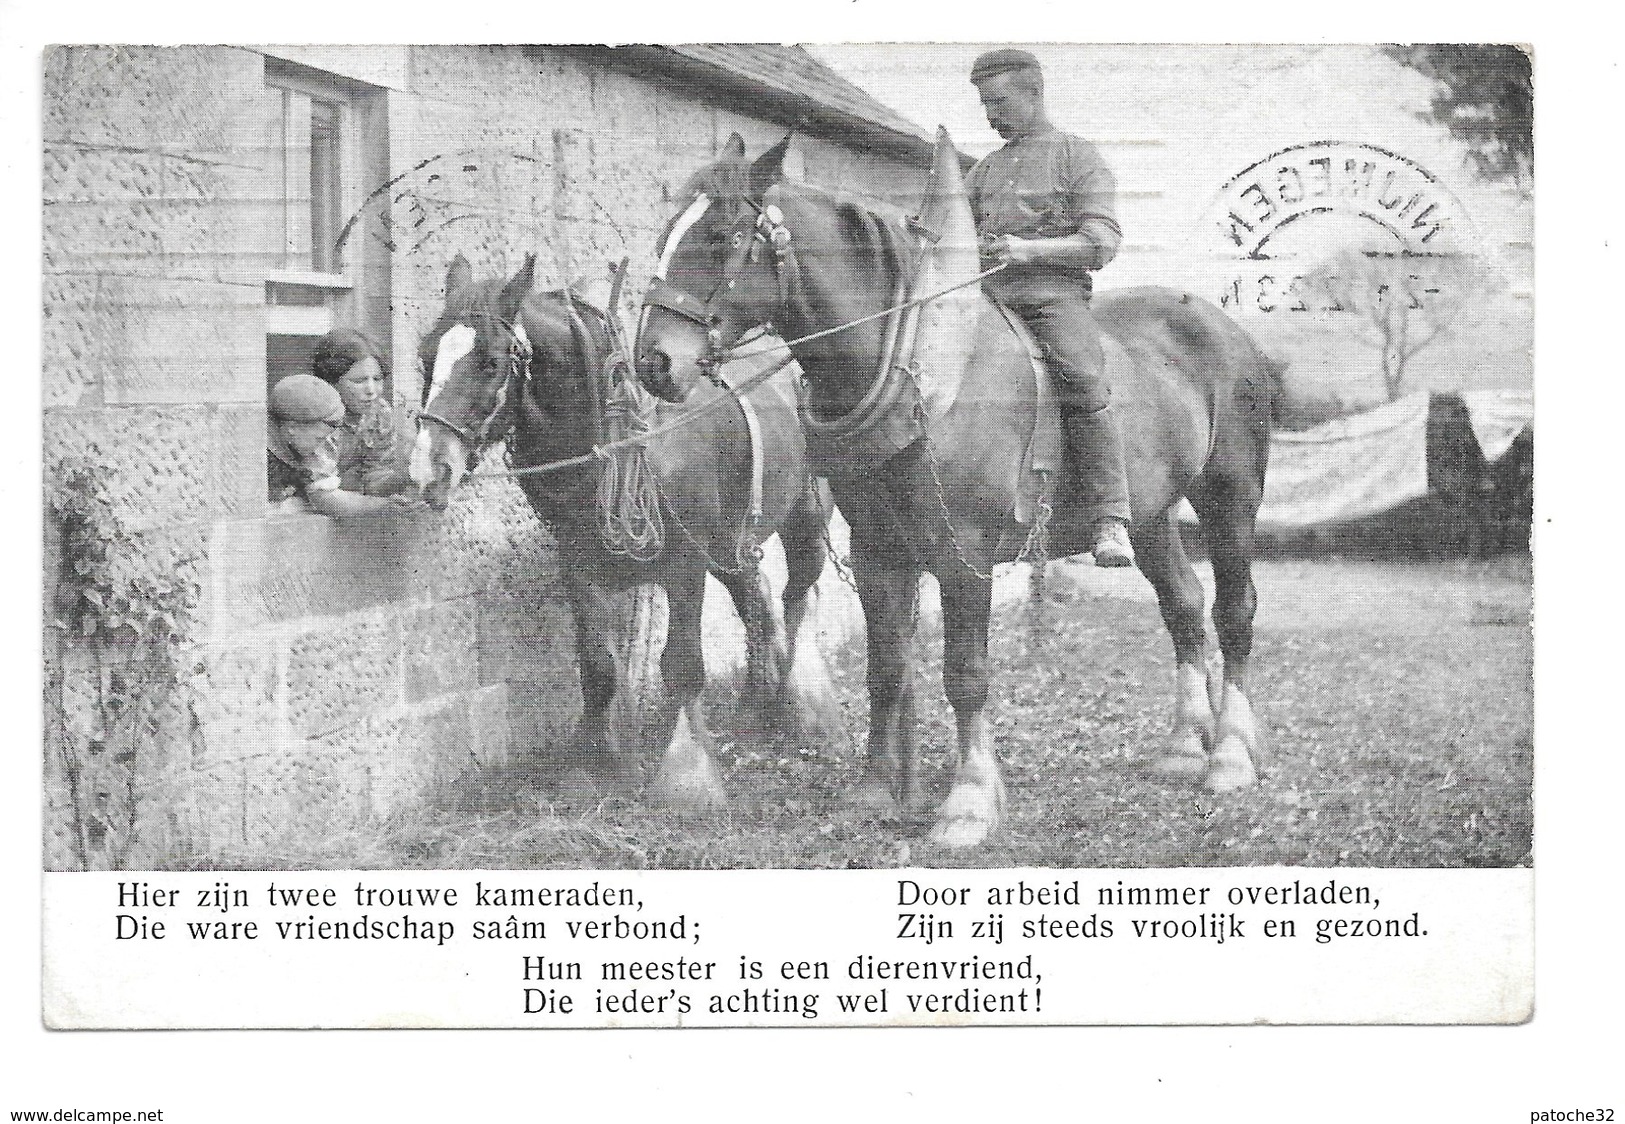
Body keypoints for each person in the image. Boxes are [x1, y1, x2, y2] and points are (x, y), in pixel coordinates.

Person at [966, 48, 1135, 567]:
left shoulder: (1076, 157)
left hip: (1051, 299)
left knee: (1082, 376)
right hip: (984, 300)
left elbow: (1102, 242)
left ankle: (1110, 518)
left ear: (1034, 93)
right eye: (984, 105)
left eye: (999, 102)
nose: (992, 116)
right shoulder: (982, 172)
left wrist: (1029, 250)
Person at [267, 374, 422, 517]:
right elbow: (325, 500)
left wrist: (385, 505)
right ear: (292, 428)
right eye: (319, 439)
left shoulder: (298, 444)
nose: (320, 449)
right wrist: (382, 506)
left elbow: (325, 493)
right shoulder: (256, 455)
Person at [310, 328, 412, 498]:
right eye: (359, 381)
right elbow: (322, 493)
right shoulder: (315, 415)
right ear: (332, 381)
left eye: (377, 379)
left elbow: (374, 479)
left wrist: (407, 475)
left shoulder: (380, 413)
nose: (371, 390)